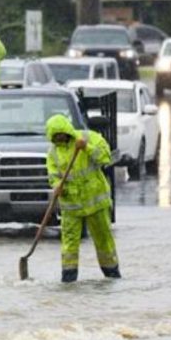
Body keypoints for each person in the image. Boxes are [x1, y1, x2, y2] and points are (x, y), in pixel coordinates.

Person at [45, 113, 120, 282]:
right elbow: (53, 175)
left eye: (62, 134)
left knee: (103, 240)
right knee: (69, 244)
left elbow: (105, 158)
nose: (60, 138)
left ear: (68, 131)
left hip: (96, 202)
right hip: (71, 206)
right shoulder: (53, 153)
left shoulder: (89, 137)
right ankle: (68, 279)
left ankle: (112, 274)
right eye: (56, 136)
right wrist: (57, 186)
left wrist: (86, 147)